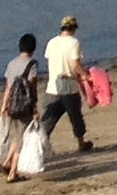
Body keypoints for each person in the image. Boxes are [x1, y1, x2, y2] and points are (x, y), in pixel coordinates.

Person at [40, 12, 94, 155]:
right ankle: (81, 143)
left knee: (48, 119)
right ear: (74, 28)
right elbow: (75, 64)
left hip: (53, 85)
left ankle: (39, 145)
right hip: (69, 86)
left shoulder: (51, 42)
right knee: (76, 117)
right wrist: (86, 76)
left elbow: (49, 61)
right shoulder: (74, 42)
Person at [0, 33, 44, 180]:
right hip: (24, 107)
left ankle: (7, 162)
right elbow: (32, 87)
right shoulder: (32, 64)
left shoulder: (11, 64)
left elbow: (8, 87)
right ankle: (12, 173)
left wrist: (4, 106)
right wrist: (34, 108)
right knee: (21, 139)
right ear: (33, 48)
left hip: (12, 105)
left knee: (17, 136)